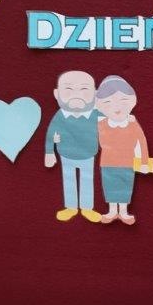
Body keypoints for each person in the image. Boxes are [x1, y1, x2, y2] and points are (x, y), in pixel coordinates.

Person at [44, 70, 102, 222]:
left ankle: (87, 208)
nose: (77, 95)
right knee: (68, 179)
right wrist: (49, 152)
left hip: (88, 153)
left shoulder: (96, 114)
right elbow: (51, 133)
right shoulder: (60, 115)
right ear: (57, 94)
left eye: (84, 89)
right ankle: (71, 207)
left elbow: (110, 125)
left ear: (95, 94)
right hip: (65, 154)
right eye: (68, 89)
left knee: (87, 180)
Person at [96, 75, 151, 225]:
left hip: (128, 163)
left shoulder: (133, 124)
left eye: (123, 100)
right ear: (100, 105)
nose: (116, 107)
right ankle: (112, 211)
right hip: (107, 163)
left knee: (126, 186)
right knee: (109, 186)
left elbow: (141, 143)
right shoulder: (101, 124)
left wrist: (144, 162)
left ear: (132, 101)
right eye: (108, 102)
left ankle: (124, 212)